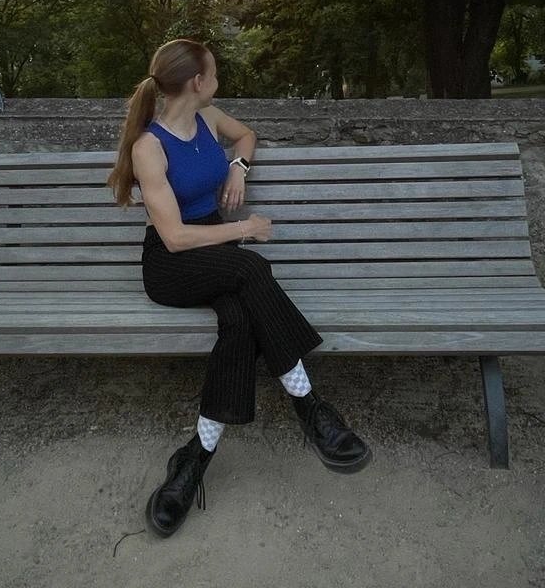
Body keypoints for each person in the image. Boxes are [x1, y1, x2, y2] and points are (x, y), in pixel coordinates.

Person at [107, 39, 370, 539]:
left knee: (240, 320)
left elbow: (246, 136)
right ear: (196, 82)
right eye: (214, 73)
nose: (218, 81)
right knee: (252, 267)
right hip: (172, 263)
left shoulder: (208, 118)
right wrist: (245, 228)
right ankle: (310, 406)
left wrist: (238, 167)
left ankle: (194, 457)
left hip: (214, 250)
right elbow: (175, 238)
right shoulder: (149, 146)